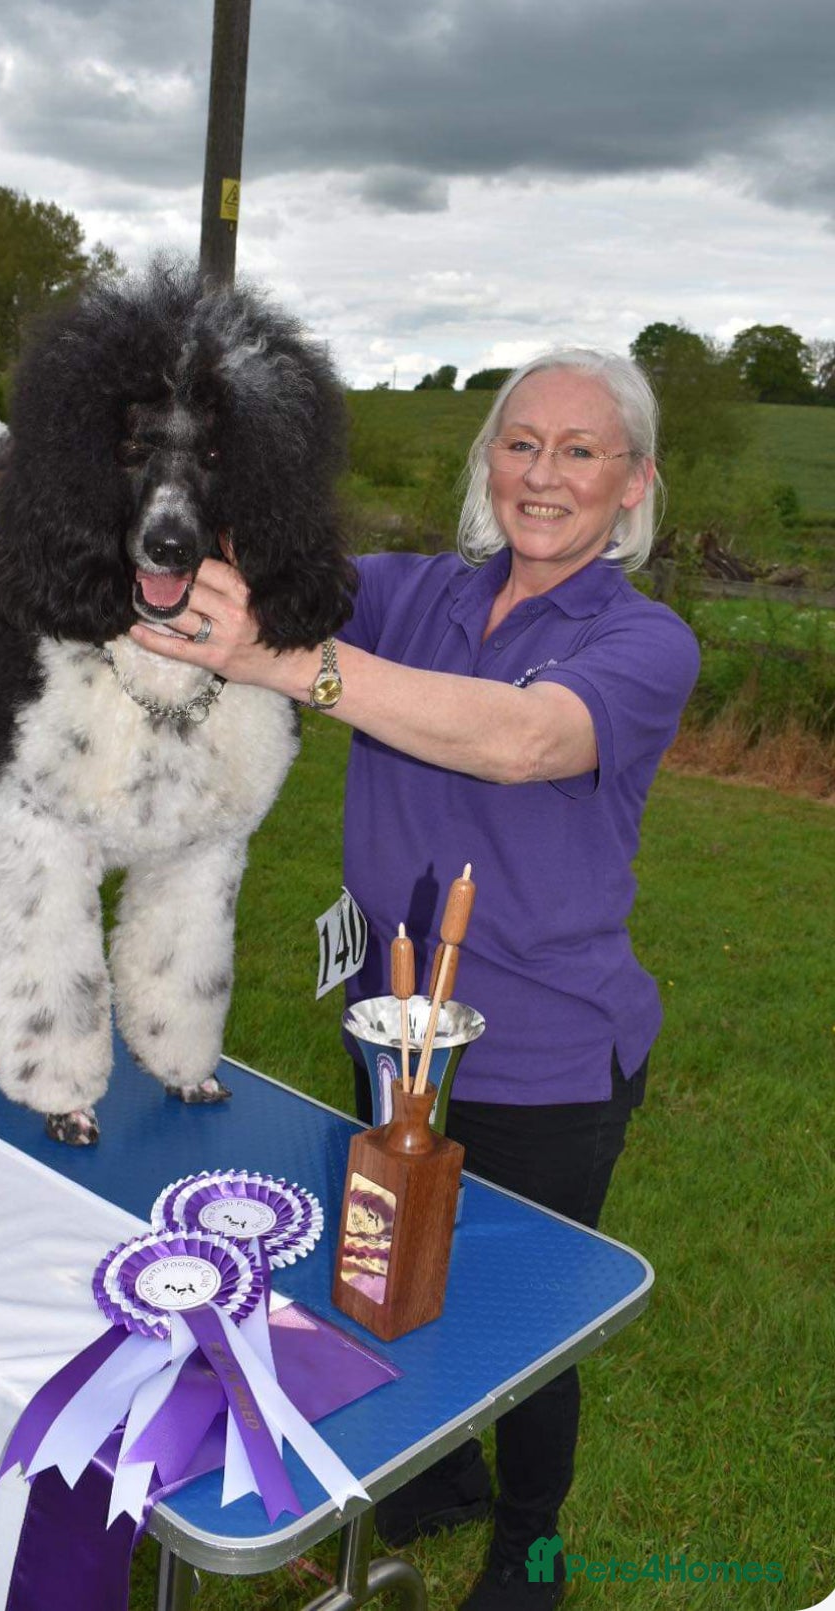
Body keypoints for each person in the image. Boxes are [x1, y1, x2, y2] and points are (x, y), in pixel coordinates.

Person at [130, 348, 701, 1610]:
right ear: (485, 460)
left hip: (548, 1055)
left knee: (530, 1320)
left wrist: (292, 667)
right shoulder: (410, 593)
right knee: (390, 1263)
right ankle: (440, 1476)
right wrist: (194, 467)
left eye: (579, 451)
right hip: (393, 1027)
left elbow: (520, 740)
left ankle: (529, 1539)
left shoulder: (645, 642)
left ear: (633, 485)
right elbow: (254, 569)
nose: (542, 474)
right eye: (519, 442)